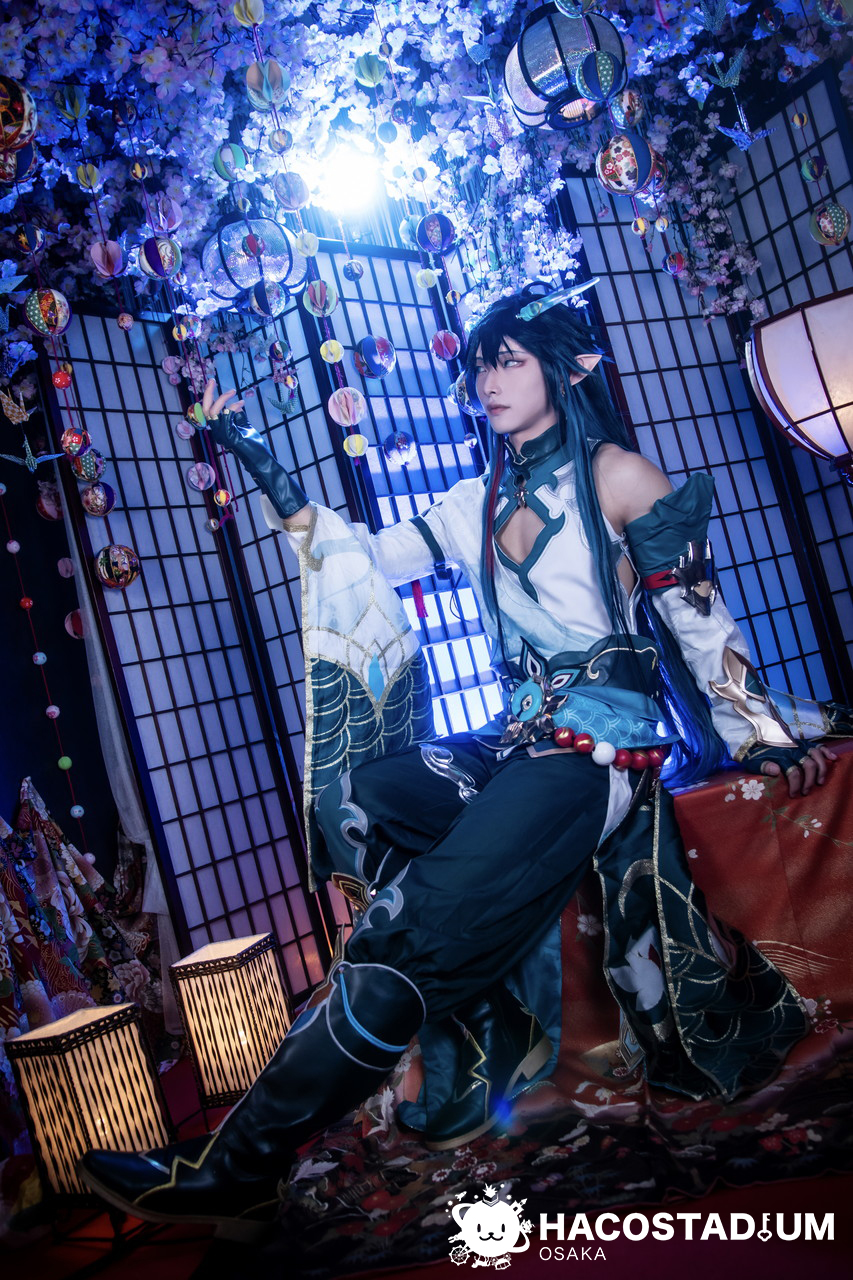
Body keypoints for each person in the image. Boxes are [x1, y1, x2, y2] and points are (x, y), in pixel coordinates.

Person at [79, 284, 845, 1241]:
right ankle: (465, 1002)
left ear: (566, 370)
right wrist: (273, 476)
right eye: (479, 364)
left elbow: (698, 620)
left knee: (404, 929)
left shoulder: (619, 477)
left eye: (509, 361)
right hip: (513, 735)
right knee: (362, 798)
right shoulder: (469, 499)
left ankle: (238, 1166)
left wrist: (764, 738)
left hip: (600, 753)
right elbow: (364, 557)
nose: (487, 380)